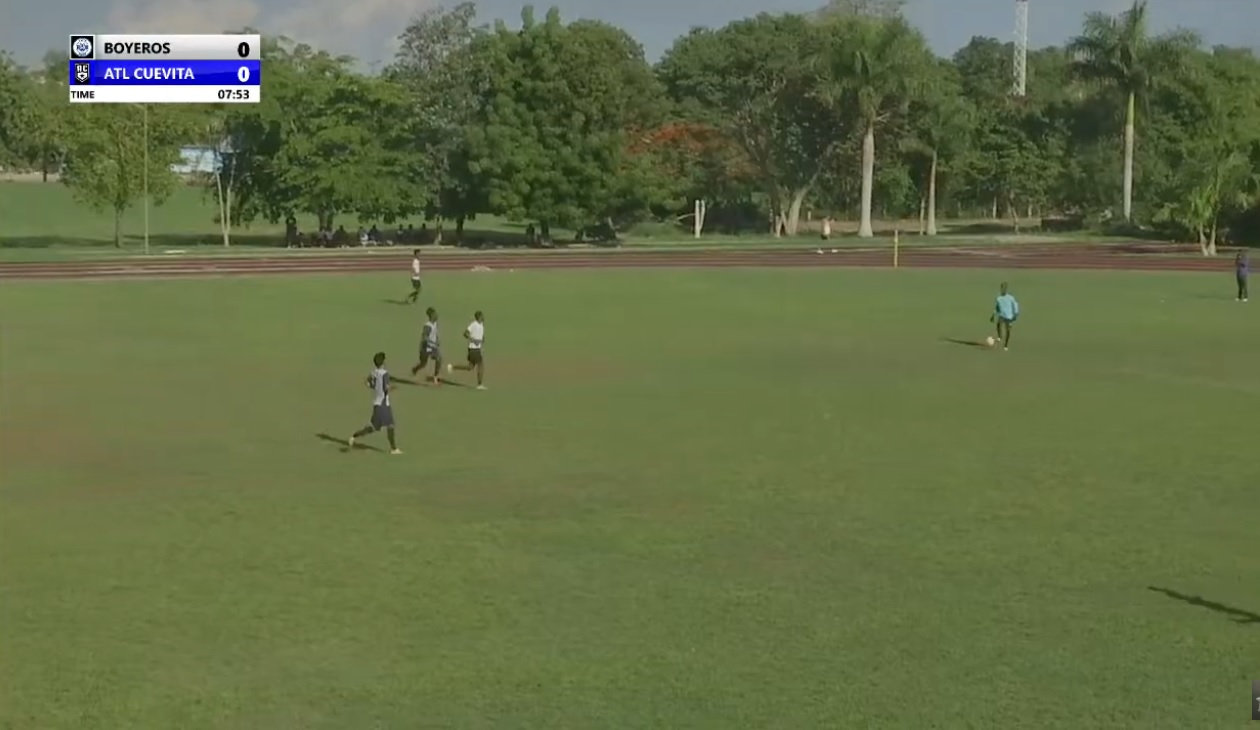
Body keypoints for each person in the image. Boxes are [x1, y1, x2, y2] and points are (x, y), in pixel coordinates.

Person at [348, 351, 402, 454]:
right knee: (390, 425)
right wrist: (394, 387)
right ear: (383, 362)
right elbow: (386, 388)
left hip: (377, 404)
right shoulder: (385, 373)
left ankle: (354, 436)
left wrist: (374, 387)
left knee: (374, 428)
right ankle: (394, 449)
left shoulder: (374, 372)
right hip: (383, 405)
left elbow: (367, 382)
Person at [447, 310, 486, 390]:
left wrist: (482, 340)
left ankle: (452, 367)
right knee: (480, 365)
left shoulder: (482, 325)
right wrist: (473, 340)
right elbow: (465, 333)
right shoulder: (473, 324)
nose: (483, 317)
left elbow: (480, 335)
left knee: (470, 367)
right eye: (482, 316)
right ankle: (479, 384)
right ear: (478, 317)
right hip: (473, 349)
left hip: (476, 348)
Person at [411, 307, 442, 383]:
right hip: (425, 347)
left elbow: (435, 334)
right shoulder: (427, 326)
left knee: (439, 359)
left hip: (433, 347)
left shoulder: (435, 324)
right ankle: (415, 369)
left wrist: (437, 339)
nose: (437, 315)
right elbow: (424, 337)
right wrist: (434, 343)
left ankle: (435, 376)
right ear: (431, 315)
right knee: (423, 363)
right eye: (435, 314)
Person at [991, 282, 1019, 351]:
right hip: (1002, 315)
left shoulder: (1010, 298)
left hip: (1009, 316)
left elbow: (1015, 305)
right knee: (998, 324)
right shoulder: (998, 298)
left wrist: (1016, 314)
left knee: (1008, 331)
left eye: (1004, 288)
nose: (1003, 290)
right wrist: (993, 315)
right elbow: (997, 308)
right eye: (1002, 288)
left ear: (1006, 289)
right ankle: (1000, 336)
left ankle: (1006, 345)